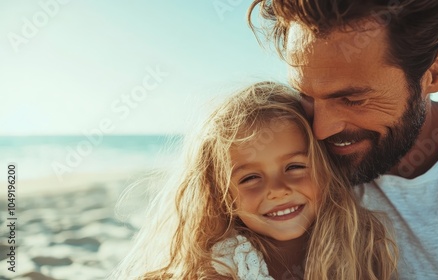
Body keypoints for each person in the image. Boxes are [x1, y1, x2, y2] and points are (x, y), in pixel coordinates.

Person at [248, 0, 438, 279]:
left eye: (352, 100)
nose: (320, 131)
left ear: (435, 71)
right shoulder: (291, 166)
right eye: (306, 96)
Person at [110, 81, 397, 279]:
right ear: (220, 192)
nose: (277, 190)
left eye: (295, 166)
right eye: (250, 178)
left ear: (326, 168)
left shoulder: (362, 242)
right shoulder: (225, 267)